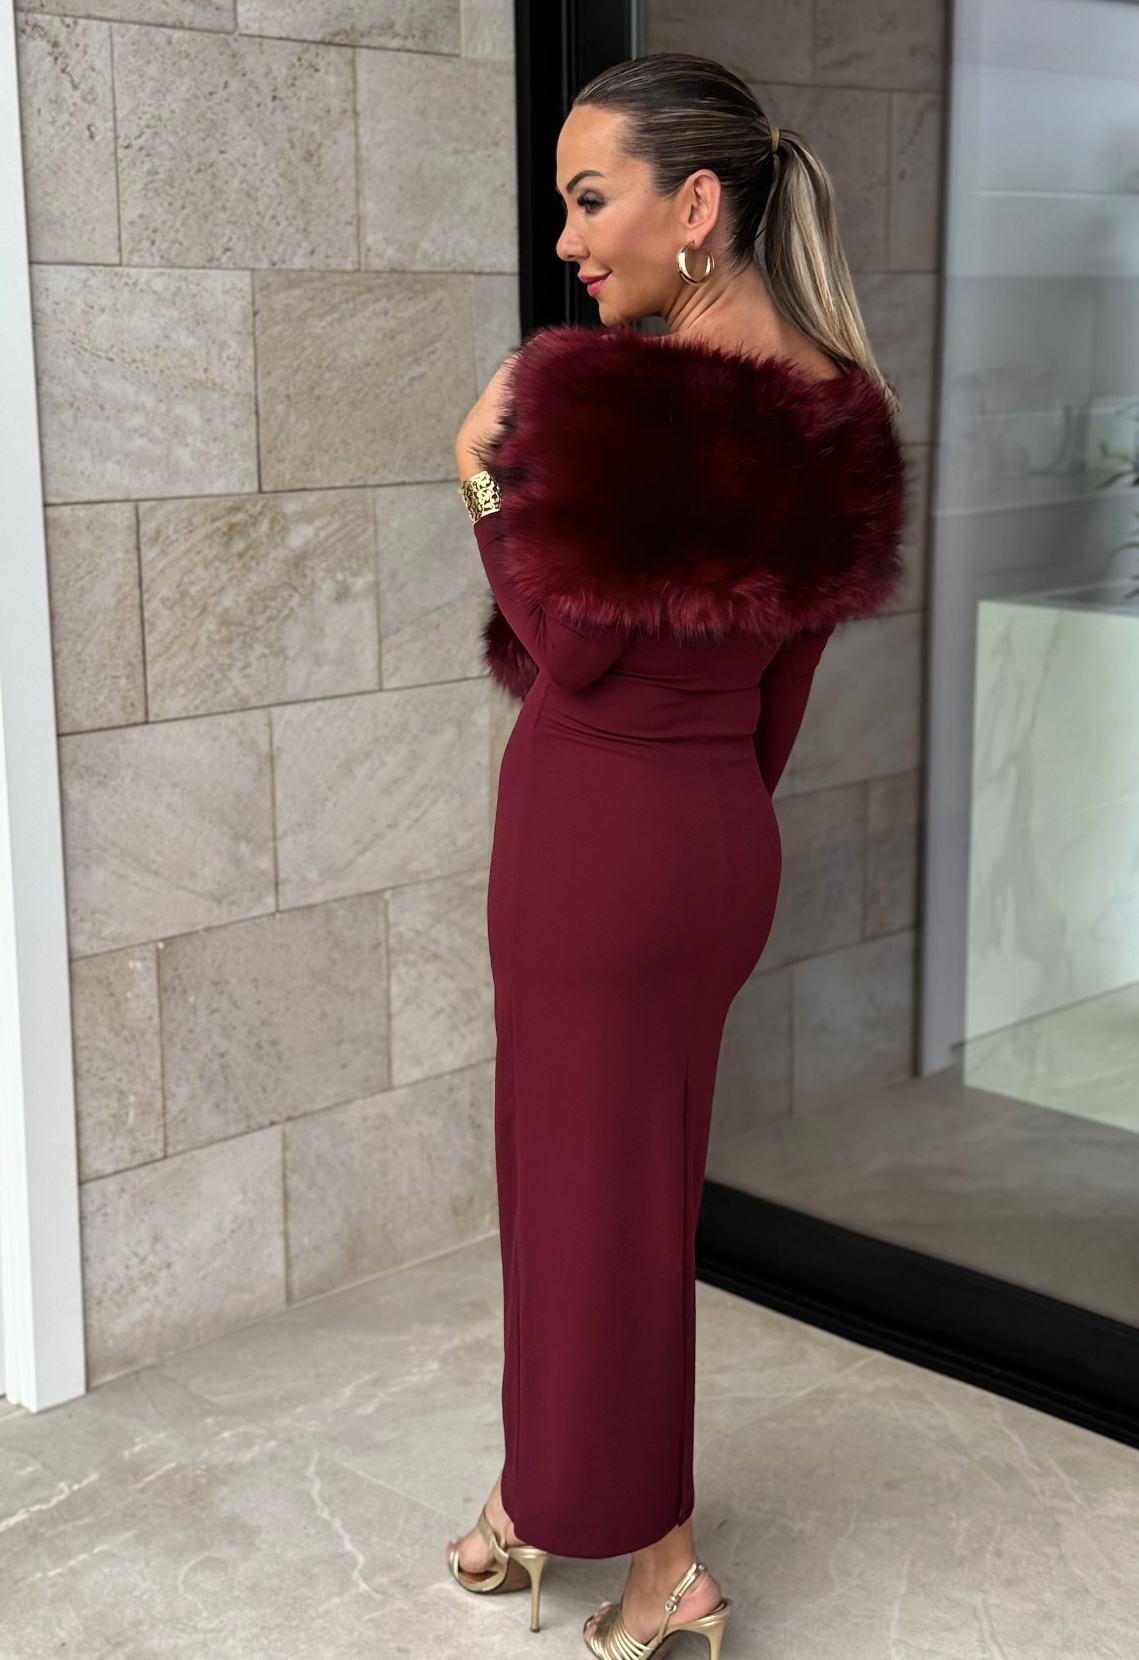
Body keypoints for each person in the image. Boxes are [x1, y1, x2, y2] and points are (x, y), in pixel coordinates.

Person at [444, 52, 906, 1660]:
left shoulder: (617, 392)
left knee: (578, 1201)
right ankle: (534, 1495)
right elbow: (785, 694)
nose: (569, 241)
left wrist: (480, 475)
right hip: (716, 841)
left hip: (594, 846)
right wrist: (712, 821)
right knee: (623, 1197)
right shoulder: (844, 409)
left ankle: (659, 1569)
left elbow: (569, 649)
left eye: (592, 199)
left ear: (696, 204)